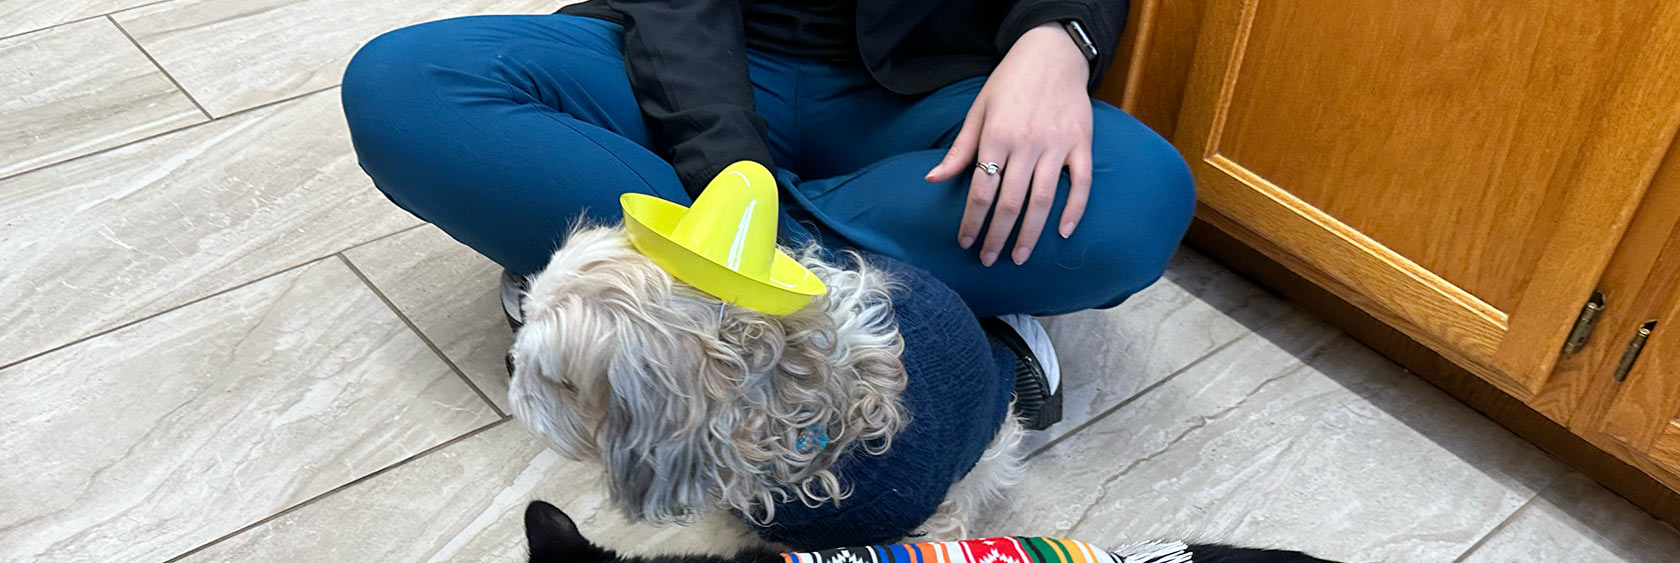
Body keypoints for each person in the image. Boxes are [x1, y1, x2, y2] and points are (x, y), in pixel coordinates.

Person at [341, 0, 1196, 426]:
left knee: (1136, 200)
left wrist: (1060, 36)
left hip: (928, 88)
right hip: (679, 64)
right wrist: (727, 168)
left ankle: (657, 270)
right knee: (406, 87)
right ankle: (917, 307)